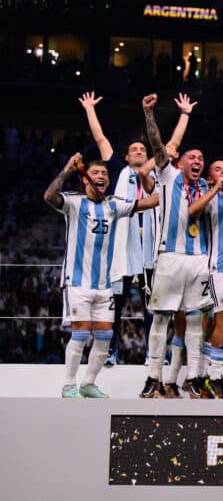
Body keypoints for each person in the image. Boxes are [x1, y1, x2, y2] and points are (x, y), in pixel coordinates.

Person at [78, 90, 194, 365]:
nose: (140, 152)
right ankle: (110, 353)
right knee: (115, 306)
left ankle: (153, 355)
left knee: (153, 307)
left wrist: (185, 115)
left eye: (143, 149)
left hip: (152, 249)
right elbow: (100, 139)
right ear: (127, 157)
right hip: (123, 248)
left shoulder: (159, 172)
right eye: (135, 150)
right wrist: (90, 110)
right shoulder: (118, 170)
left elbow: (174, 143)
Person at [45, 152, 159, 397]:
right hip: (77, 282)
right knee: (81, 333)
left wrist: (171, 186)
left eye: (105, 174)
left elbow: (150, 202)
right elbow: (48, 197)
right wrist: (67, 169)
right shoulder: (74, 203)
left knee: (106, 335)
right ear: (85, 179)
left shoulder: (114, 205)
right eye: (95, 172)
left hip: (104, 285)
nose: (101, 176)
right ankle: (68, 385)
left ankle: (88, 383)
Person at [140, 93, 220, 399]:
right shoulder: (167, 174)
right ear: (180, 162)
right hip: (170, 256)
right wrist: (149, 114)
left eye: (201, 158)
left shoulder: (205, 187)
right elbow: (158, 144)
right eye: (192, 157)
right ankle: (153, 377)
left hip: (198, 258)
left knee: (197, 320)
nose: (198, 161)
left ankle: (197, 377)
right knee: (161, 318)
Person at [197, 156, 223, 398]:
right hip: (218, 265)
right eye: (218, 169)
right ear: (209, 177)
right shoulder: (209, 194)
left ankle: (206, 376)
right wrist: (215, 186)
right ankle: (214, 377)